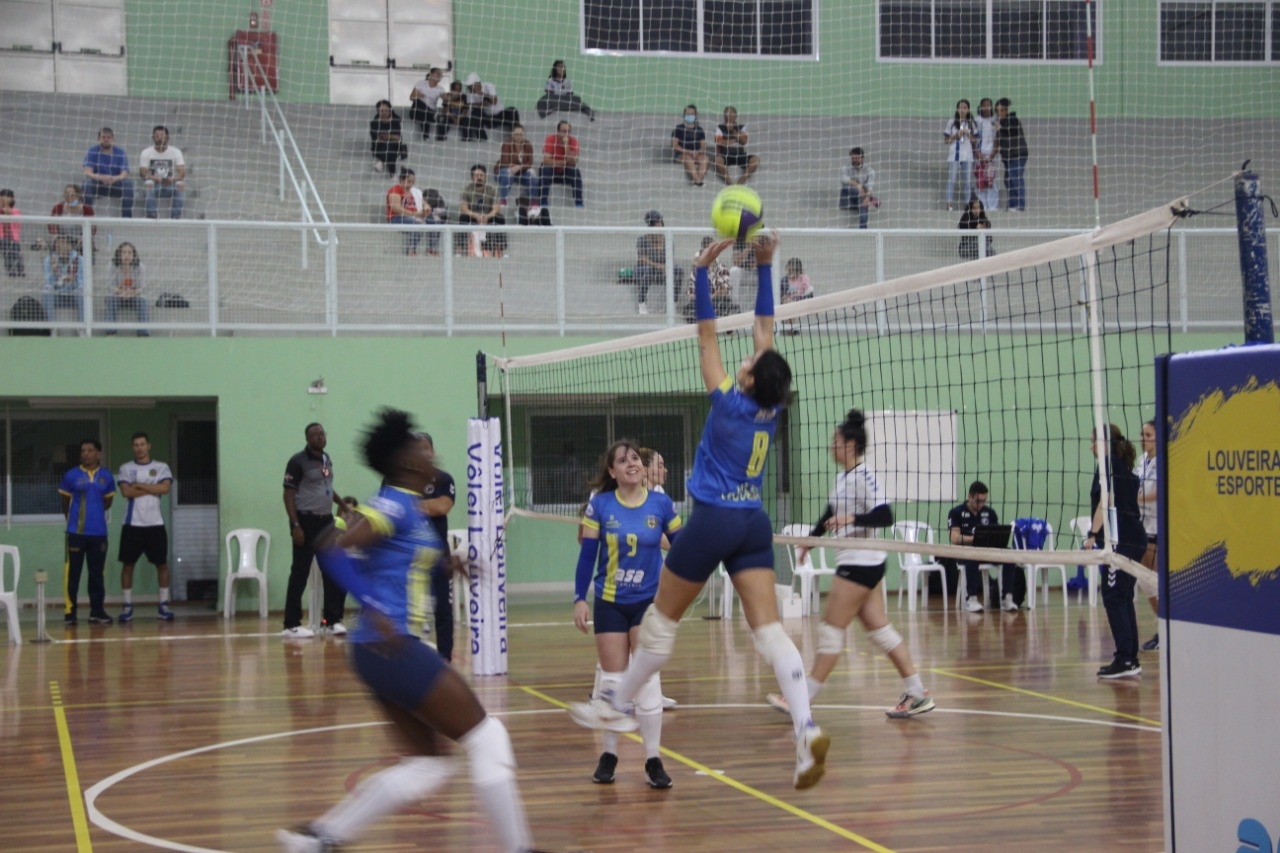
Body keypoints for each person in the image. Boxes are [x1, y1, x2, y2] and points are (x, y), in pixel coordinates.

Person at [569, 231, 832, 791]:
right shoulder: (771, 409)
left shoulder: (729, 403)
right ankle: (805, 725)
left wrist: (699, 273)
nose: (745, 358)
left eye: (750, 363)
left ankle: (615, 702)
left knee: (660, 624)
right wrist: (765, 265)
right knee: (770, 634)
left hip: (712, 520)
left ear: (751, 378)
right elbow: (765, 329)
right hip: (752, 523)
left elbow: (708, 333)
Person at [275, 409, 535, 853]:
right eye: (420, 444)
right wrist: (372, 603)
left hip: (377, 650)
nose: (429, 449)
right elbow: (331, 549)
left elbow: (398, 558)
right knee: (489, 736)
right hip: (390, 644)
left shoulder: (407, 508)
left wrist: (447, 563)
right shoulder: (393, 504)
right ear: (408, 461)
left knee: (429, 764)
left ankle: (320, 838)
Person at [766, 409, 935, 719]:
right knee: (879, 630)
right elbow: (830, 511)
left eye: (836, 440)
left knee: (831, 630)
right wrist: (810, 541)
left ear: (850, 445)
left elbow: (885, 515)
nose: (831, 445)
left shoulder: (865, 475)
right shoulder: (843, 477)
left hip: (860, 562)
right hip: (862, 562)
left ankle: (802, 699)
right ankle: (917, 692)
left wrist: (851, 518)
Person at [573, 440, 681, 788]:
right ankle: (609, 754)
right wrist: (579, 597)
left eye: (635, 458)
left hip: (648, 601)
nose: (632, 463)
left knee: (648, 680)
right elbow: (587, 555)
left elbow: (682, 548)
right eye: (623, 460)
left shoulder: (662, 504)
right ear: (612, 471)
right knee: (612, 678)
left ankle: (653, 760)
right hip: (609, 600)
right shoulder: (601, 505)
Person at [1086, 424, 1147, 678]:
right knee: (1122, 597)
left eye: (1093, 441)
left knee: (1113, 597)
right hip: (1133, 538)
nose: (1090, 446)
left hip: (1120, 542)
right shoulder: (1123, 466)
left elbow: (1105, 501)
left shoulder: (1108, 465)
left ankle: (1125, 658)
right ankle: (1130, 658)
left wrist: (1092, 535)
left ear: (1102, 442)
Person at [282, 423, 352, 638]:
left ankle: (332, 621)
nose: (320, 437)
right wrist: (296, 525)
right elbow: (288, 495)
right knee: (300, 573)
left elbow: (327, 488)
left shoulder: (326, 459)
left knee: (332, 570)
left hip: (326, 521)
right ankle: (291, 624)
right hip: (305, 521)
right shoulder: (297, 462)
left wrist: (343, 505)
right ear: (307, 438)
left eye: (322, 433)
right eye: (315, 434)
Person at [116, 432, 174, 622]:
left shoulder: (161, 467)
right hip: (132, 524)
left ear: (149, 446)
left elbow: (164, 489)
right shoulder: (126, 468)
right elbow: (126, 492)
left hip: (155, 524)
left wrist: (140, 485)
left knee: (162, 565)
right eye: (136, 445)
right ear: (133, 447)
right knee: (128, 565)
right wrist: (152, 487)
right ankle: (127, 606)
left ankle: (163, 605)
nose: (139, 447)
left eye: (142, 444)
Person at [59, 439, 116, 626]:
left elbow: (108, 502)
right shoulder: (71, 475)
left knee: (97, 574)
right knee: (72, 574)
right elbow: (65, 503)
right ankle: (70, 613)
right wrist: (73, 522)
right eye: (83, 450)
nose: (86, 454)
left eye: (90, 450)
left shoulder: (106, 476)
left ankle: (97, 612)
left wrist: (95, 512)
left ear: (98, 453)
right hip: (76, 533)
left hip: (99, 533)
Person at [947, 480, 1023, 612]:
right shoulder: (956, 512)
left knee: (1009, 555)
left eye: (984, 501)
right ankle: (971, 599)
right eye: (978, 501)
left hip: (986, 551)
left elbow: (997, 534)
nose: (981, 504)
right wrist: (975, 539)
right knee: (973, 555)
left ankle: (1006, 598)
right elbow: (954, 538)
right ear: (969, 497)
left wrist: (993, 539)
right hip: (965, 553)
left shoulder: (989, 513)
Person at [419, 433, 457, 662]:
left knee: (443, 607)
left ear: (432, 452)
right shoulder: (396, 480)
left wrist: (410, 505)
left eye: (425, 448)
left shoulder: (443, 479)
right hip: (407, 553)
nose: (421, 453)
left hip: (437, 552)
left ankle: (445, 658)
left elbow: (442, 506)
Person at [1136, 420, 1160, 651]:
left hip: (1158, 528)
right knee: (1146, 581)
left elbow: (1161, 491)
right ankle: (1162, 628)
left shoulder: (1166, 461)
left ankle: (1166, 629)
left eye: (1148, 434)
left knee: (1155, 580)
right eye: (1142, 434)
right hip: (1141, 527)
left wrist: (1138, 499)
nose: (1143, 438)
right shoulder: (1141, 461)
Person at [682, 236, 737, 323]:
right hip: (702, 302)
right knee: (688, 309)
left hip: (718, 301)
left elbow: (725, 289)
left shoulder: (721, 268)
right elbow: (691, 293)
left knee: (728, 306)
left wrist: (711, 297)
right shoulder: (696, 271)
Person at [82, 127, 133, 217]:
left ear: (113, 139)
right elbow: (87, 172)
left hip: (115, 184)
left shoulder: (120, 152)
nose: (106, 140)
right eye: (103, 137)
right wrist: (100, 177)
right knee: (87, 183)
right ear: (99, 139)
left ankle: (126, 217)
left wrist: (114, 178)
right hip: (98, 185)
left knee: (128, 184)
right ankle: (88, 216)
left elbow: (124, 173)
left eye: (108, 137)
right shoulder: (92, 151)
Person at [457, 164, 507, 257]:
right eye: (476, 175)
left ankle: (501, 250)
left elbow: (497, 207)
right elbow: (463, 207)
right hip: (473, 216)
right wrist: (474, 215)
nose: (479, 178)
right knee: (462, 218)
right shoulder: (466, 189)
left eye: (481, 175)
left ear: (485, 176)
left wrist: (488, 216)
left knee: (500, 218)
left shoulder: (492, 189)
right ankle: (459, 250)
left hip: (488, 216)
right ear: (472, 177)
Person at [139, 125, 186, 220]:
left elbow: (182, 173)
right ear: (153, 137)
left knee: (181, 184)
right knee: (148, 183)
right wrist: (153, 178)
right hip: (154, 185)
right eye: (157, 136)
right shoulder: (146, 152)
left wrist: (173, 179)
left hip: (170, 184)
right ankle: (152, 215)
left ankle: (175, 216)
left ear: (168, 138)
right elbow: (142, 173)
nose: (160, 138)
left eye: (163, 136)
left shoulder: (176, 151)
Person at [105, 242, 150, 335]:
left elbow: (141, 287)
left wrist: (131, 293)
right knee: (110, 298)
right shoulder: (112, 266)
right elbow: (110, 286)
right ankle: (110, 330)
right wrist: (121, 292)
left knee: (143, 300)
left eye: (130, 253)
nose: (127, 256)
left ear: (134, 255)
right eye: (124, 252)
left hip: (134, 296)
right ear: (119, 254)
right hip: (117, 296)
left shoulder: (140, 267)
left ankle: (143, 331)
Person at [539, 121, 584, 208]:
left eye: (568, 131)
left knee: (575, 172)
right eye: (563, 131)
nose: (566, 134)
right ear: (558, 131)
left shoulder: (574, 141)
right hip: (551, 172)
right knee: (545, 169)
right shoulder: (550, 139)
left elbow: (574, 162)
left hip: (565, 173)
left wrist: (566, 145)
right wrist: (564, 162)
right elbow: (546, 160)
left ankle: (579, 203)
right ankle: (543, 203)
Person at [462, 73, 520, 140]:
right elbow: (472, 105)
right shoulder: (469, 93)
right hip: (487, 118)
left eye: (470, 86)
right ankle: (482, 138)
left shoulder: (488, 86)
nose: (468, 88)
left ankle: (516, 135)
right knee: (475, 113)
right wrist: (482, 104)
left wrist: (481, 94)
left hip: (499, 115)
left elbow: (494, 101)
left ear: (477, 84)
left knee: (512, 110)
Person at [995, 97, 1029, 212]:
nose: (998, 114)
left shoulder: (1012, 119)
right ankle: (1012, 204)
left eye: (1000, 111)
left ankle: (1019, 205)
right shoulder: (1001, 123)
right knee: (1008, 179)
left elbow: (1012, 130)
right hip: (1008, 156)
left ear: (1005, 110)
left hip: (1017, 154)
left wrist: (1001, 127)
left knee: (1015, 178)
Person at [386, 168, 429, 256]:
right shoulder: (395, 190)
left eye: (413, 182)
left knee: (434, 221)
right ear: (401, 180)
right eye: (409, 182)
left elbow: (424, 203)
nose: (411, 184)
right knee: (419, 224)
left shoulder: (414, 192)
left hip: (413, 216)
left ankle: (432, 249)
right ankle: (411, 249)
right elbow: (396, 208)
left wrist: (426, 207)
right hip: (396, 218)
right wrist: (415, 214)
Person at [944, 100, 977, 211]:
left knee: (967, 181)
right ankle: (949, 204)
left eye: (964, 107)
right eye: (960, 107)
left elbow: (975, 140)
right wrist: (956, 135)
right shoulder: (951, 122)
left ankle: (968, 205)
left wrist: (968, 133)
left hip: (968, 156)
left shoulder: (972, 123)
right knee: (952, 180)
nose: (962, 110)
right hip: (954, 155)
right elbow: (946, 140)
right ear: (957, 109)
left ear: (968, 109)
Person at [42, 235, 84, 322]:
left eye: (63, 242)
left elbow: (82, 282)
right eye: (57, 243)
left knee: (82, 291)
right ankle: (51, 327)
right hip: (57, 294)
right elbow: (48, 282)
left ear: (70, 245)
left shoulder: (79, 259)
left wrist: (73, 280)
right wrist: (54, 272)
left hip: (73, 294)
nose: (59, 246)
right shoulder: (49, 259)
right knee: (46, 290)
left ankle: (82, 327)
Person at [495, 124, 538, 208]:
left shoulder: (528, 145)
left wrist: (519, 167)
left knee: (533, 177)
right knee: (508, 174)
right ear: (512, 134)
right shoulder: (506, 144)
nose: (519, 137)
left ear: (524, 134)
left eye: (521, 134)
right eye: (516, 134)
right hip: (504, 171)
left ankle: (533, 203)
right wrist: (517, 167)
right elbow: (505, 162)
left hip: (521, 172)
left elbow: (530, 163)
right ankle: (503, 200)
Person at [714, 107, 759, 185]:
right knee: (718, 161)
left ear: (736, 116)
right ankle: (730, 183)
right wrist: (736, 139)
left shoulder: (742, 127)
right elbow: (719, 142)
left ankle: (739, 183)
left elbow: (744, 141)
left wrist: (732, 131)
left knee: (756, 160)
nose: (728, 116)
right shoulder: (720, 128)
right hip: (726, 155)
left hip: (740, 155)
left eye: (731, 114)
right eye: (726, 114)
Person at [635, 209, 667, 315]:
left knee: (677, 271)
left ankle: (672, 304)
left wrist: (667, 266)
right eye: (657, 223)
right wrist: (657, 265)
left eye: (660, 223)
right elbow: (642, 258)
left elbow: (670, 257)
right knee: (647, 270)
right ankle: (642, 303)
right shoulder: (642, 240)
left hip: (662, 269)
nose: (660, 225)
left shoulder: (667, 239)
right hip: (645, 269)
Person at [47, 184, 96, 254]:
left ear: (78, 196)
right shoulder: (58, 207)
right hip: (62, 239)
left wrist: (83, 238)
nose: (68, 198)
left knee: (85, 245)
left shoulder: (87, 209)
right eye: (66, 195)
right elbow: (51, 225)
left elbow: (93, 228)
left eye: (71, 195)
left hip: (80, 240)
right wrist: (57, 237)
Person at [837, 147, 878, 229]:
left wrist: (867, 196)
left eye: (857, 158)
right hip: (848, 197)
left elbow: (870, 185)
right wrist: (858, 186)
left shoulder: (870, 171)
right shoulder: (845, 168)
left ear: (862, 158)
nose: (854, 160)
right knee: (849, 188)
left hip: (861, 198)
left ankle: (863, 228)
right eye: (852, 158)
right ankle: (870, 200)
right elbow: (843, 179)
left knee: (864, 203)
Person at [670, 104, 709, 187]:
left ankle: (698, 180)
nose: (689, 116)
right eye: (687, 114)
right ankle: (698, 180)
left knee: (705, 158)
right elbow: (674, 145)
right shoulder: (679, 128)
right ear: (684, 115)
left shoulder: (700, 130)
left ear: (696, 115)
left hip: (696, 154)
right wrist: (688, 152)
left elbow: (703, 146)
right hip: (682, 155)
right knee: (688, 158)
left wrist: (698, 152)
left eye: (691, 114)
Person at [973, 99, 1000, 212]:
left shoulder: (995, 120)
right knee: (980, 180)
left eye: (988, 105)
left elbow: (998, 138)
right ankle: (982, 204)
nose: (986, 107)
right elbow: (973, 138)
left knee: (991, 180)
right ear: (980, 107)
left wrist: (993, 154)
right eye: (984, 105)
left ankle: (993, 205)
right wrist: (978, 154)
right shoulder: (976, 120)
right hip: (979, 154)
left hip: (991, 154)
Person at [408, 67, 448, 140]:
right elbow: (411, 97)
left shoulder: (440, 89)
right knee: (418, 102)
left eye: (441, 75)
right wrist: (418, 95)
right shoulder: (420, 84)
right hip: (416, 112)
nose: (440, 76)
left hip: (429, 113)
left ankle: (426, 136)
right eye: (438, 74)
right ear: (431, 74)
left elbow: (446, 98)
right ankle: (427, 134)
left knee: (425, 115)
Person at [369, 100, 407, 174]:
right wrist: (390, 137)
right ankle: (392, 174)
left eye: (386, 110)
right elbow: (375, 139)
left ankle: (382, 162)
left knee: (390, 146)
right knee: (389, 147)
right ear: (378, 111)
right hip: (380, 148)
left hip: (395, 146)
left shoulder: (395, 122)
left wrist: (388, 136)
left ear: (390, 110)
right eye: (381, 110)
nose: (384, 112)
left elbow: (398, 138)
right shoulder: (374, 123)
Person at [0, 189, 23, 277]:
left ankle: (20, 270)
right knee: (6, 246)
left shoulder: (16, 211)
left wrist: (7, 210)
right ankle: (11, 270)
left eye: (6, 197)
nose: (3, 198)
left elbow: (18, 222)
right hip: (2, 238)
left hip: (13, 238)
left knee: (15, 250)